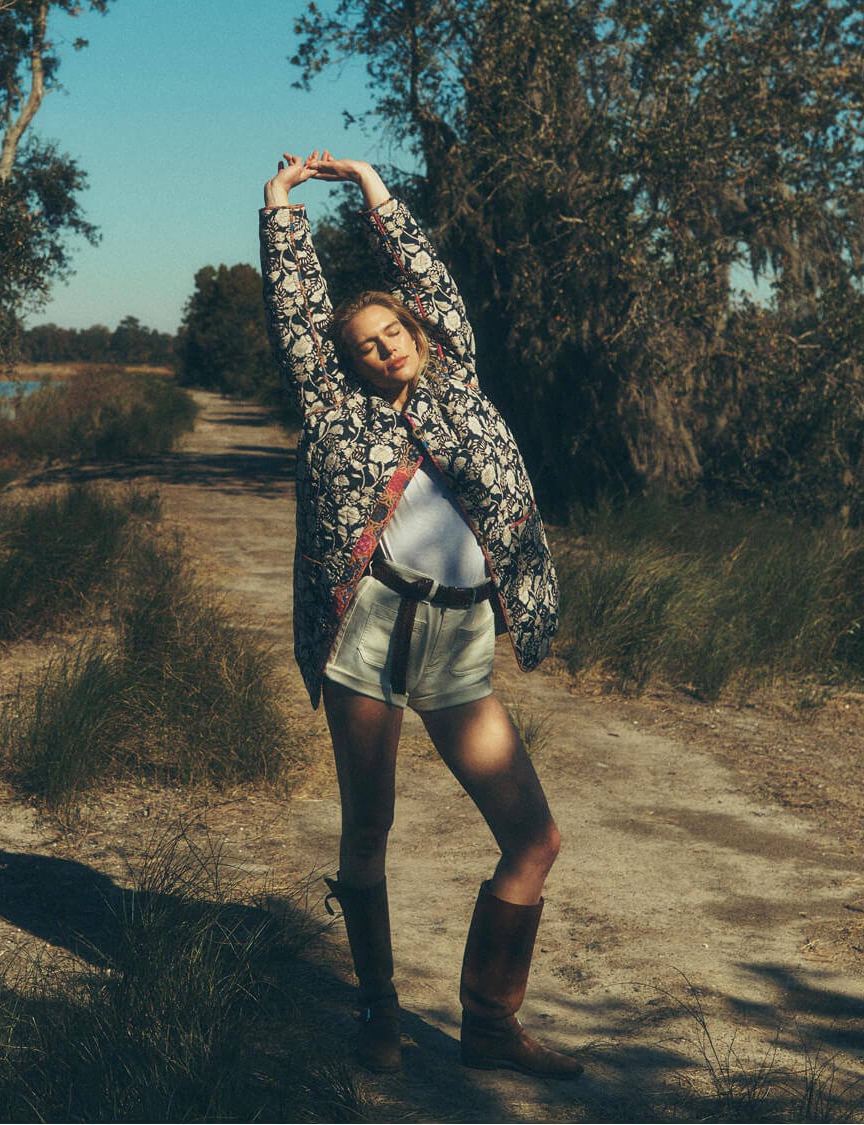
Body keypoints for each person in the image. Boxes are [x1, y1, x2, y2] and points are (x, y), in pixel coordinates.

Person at [259, 151, 579, 1080]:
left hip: (460, 640)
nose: (384, 346)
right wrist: (281, 205)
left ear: (416, 329)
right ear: (345, 358)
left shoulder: (457, 382)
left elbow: (428, 275)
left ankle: (489, 1020)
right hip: (369, 633)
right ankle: (377, 1008)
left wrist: (368, 186)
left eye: (393, 330)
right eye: (363, 342)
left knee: (534, 837)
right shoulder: (331, 406)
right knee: (368, 829)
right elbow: (294, 311)